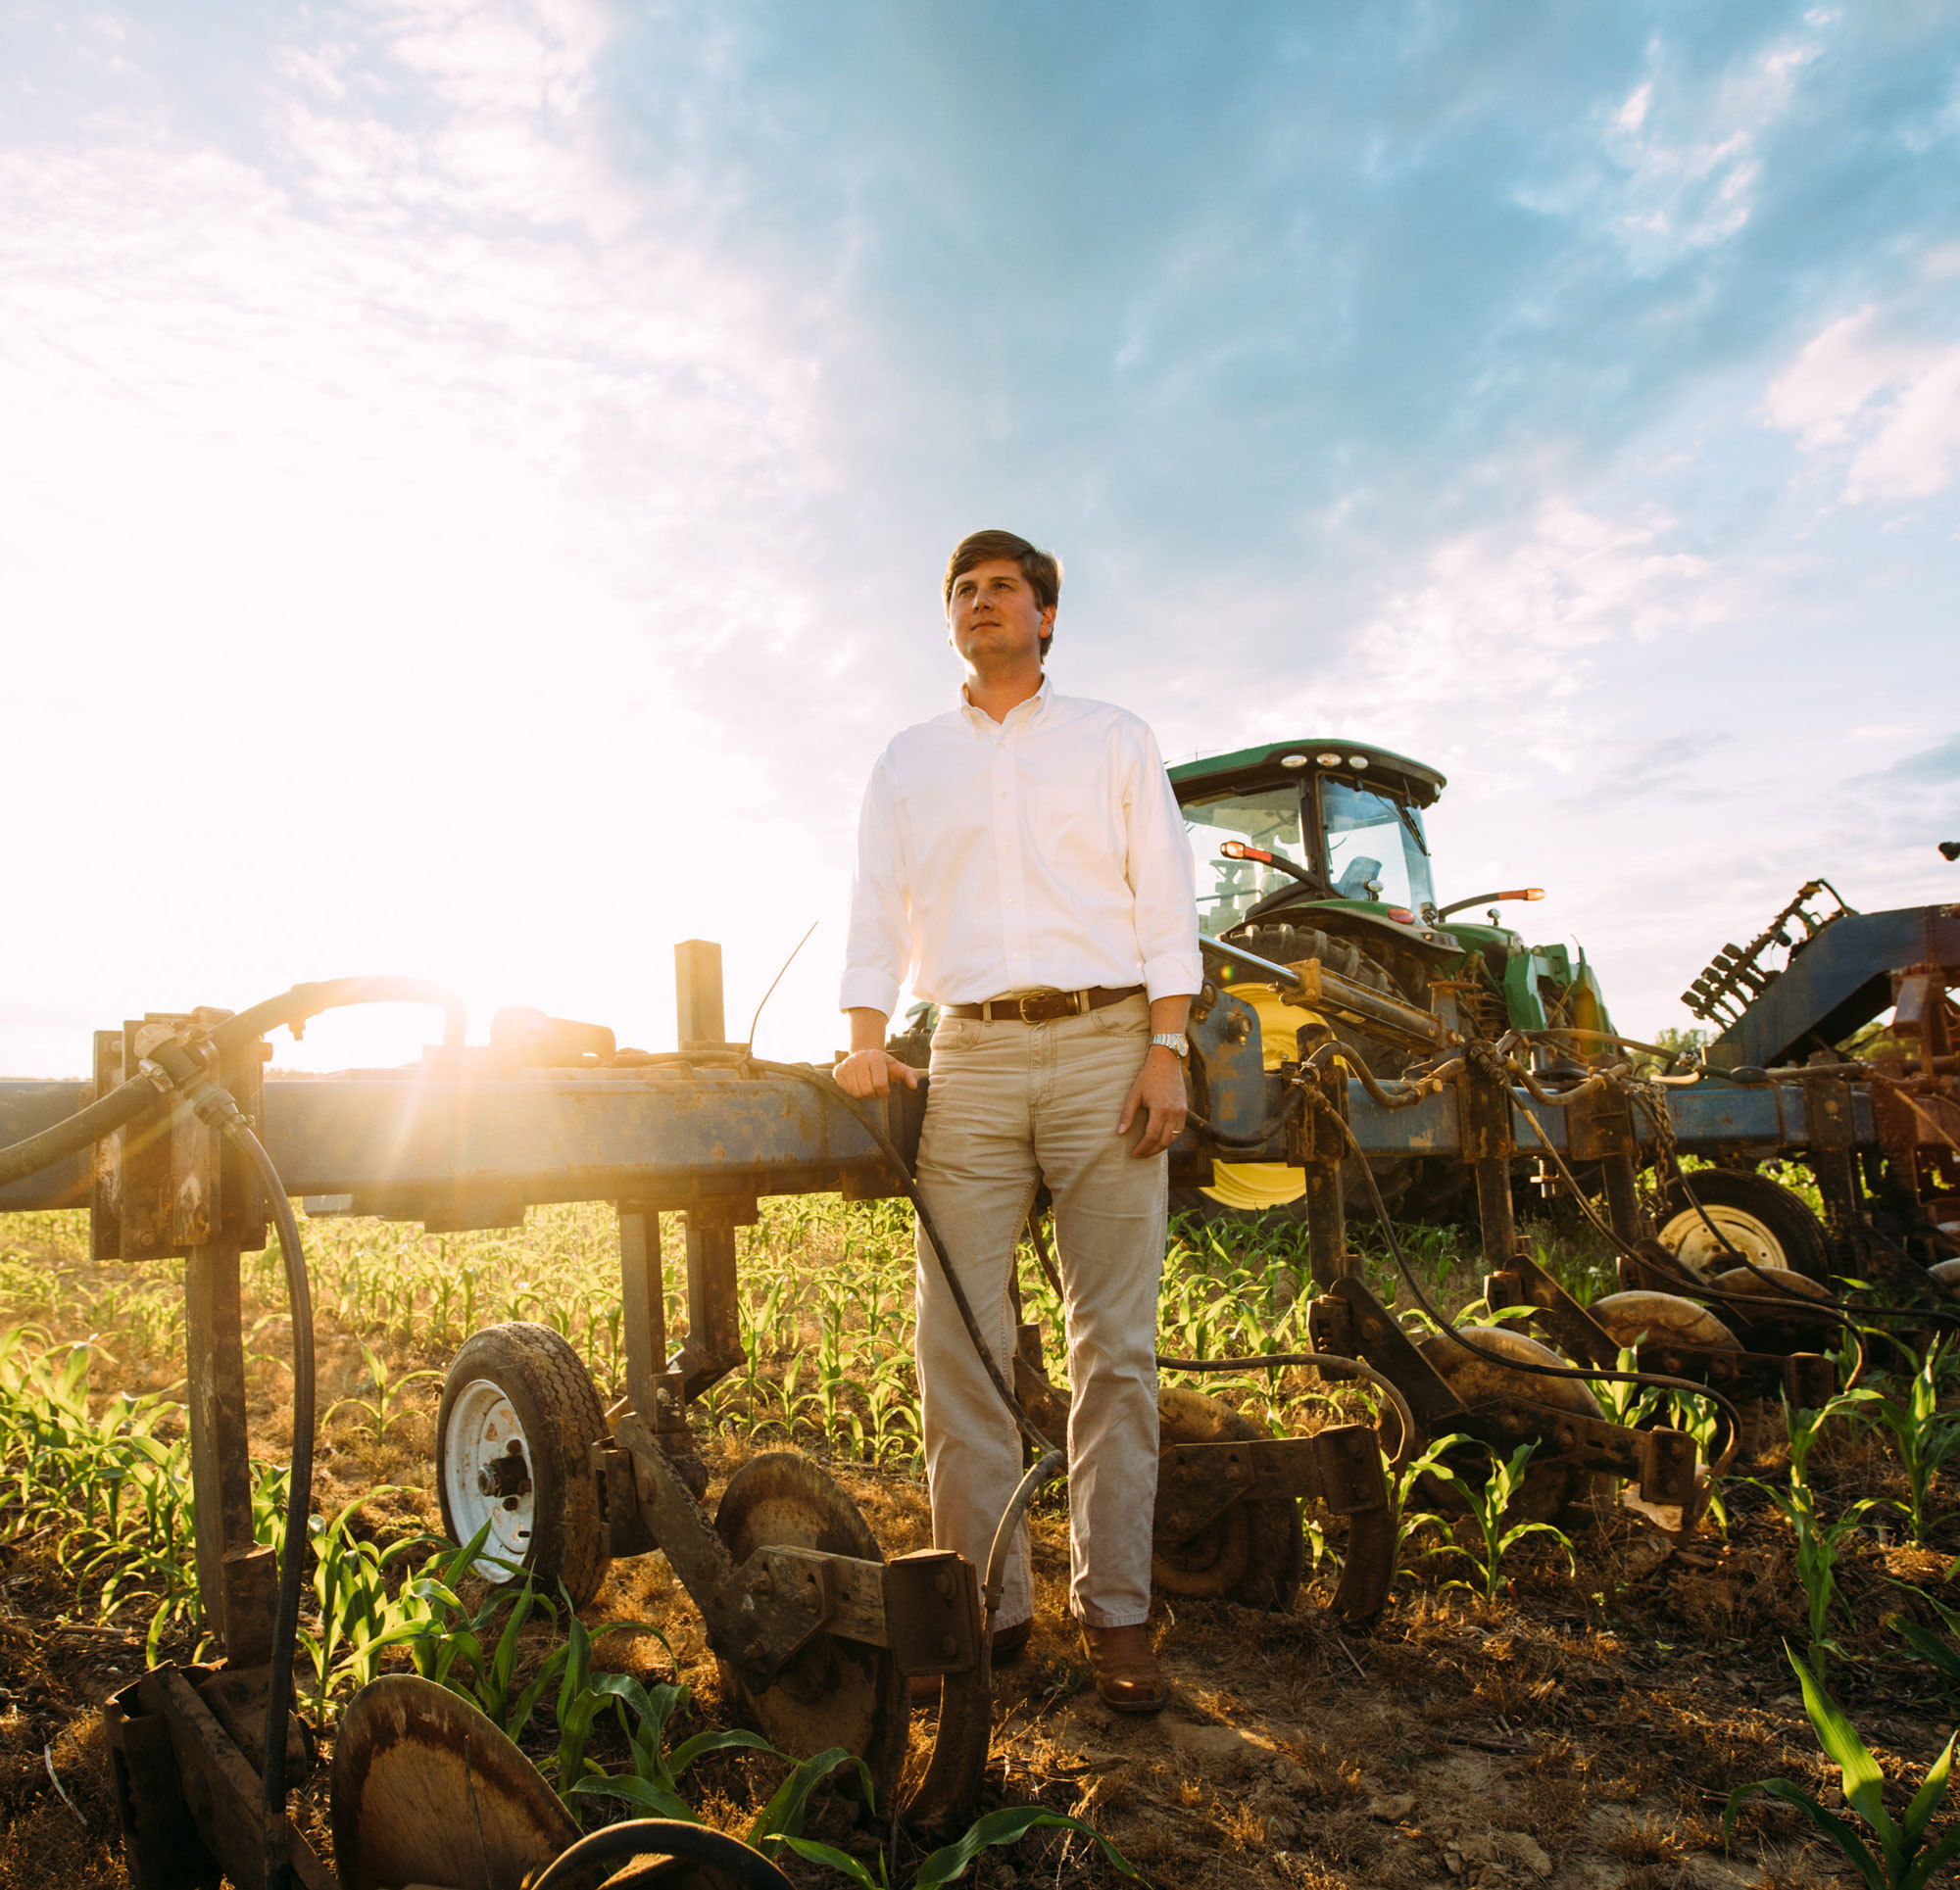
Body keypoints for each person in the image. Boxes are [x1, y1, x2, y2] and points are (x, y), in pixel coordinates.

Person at [835, 528, 1201, 1713]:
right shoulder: (908, 760)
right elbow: (875, 904)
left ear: (1045, 617)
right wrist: (862, 1036)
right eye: (964, 590)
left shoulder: (1113, 739)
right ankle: (986, 1617)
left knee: (1115, 1349)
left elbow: (1164, 896)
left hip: (1108, 1050)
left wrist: (1164, 1047)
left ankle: (1118, 1617)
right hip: (973, 1058)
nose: (981, 601)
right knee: (959, 1342)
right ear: (951, 622)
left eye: (1003, 588)